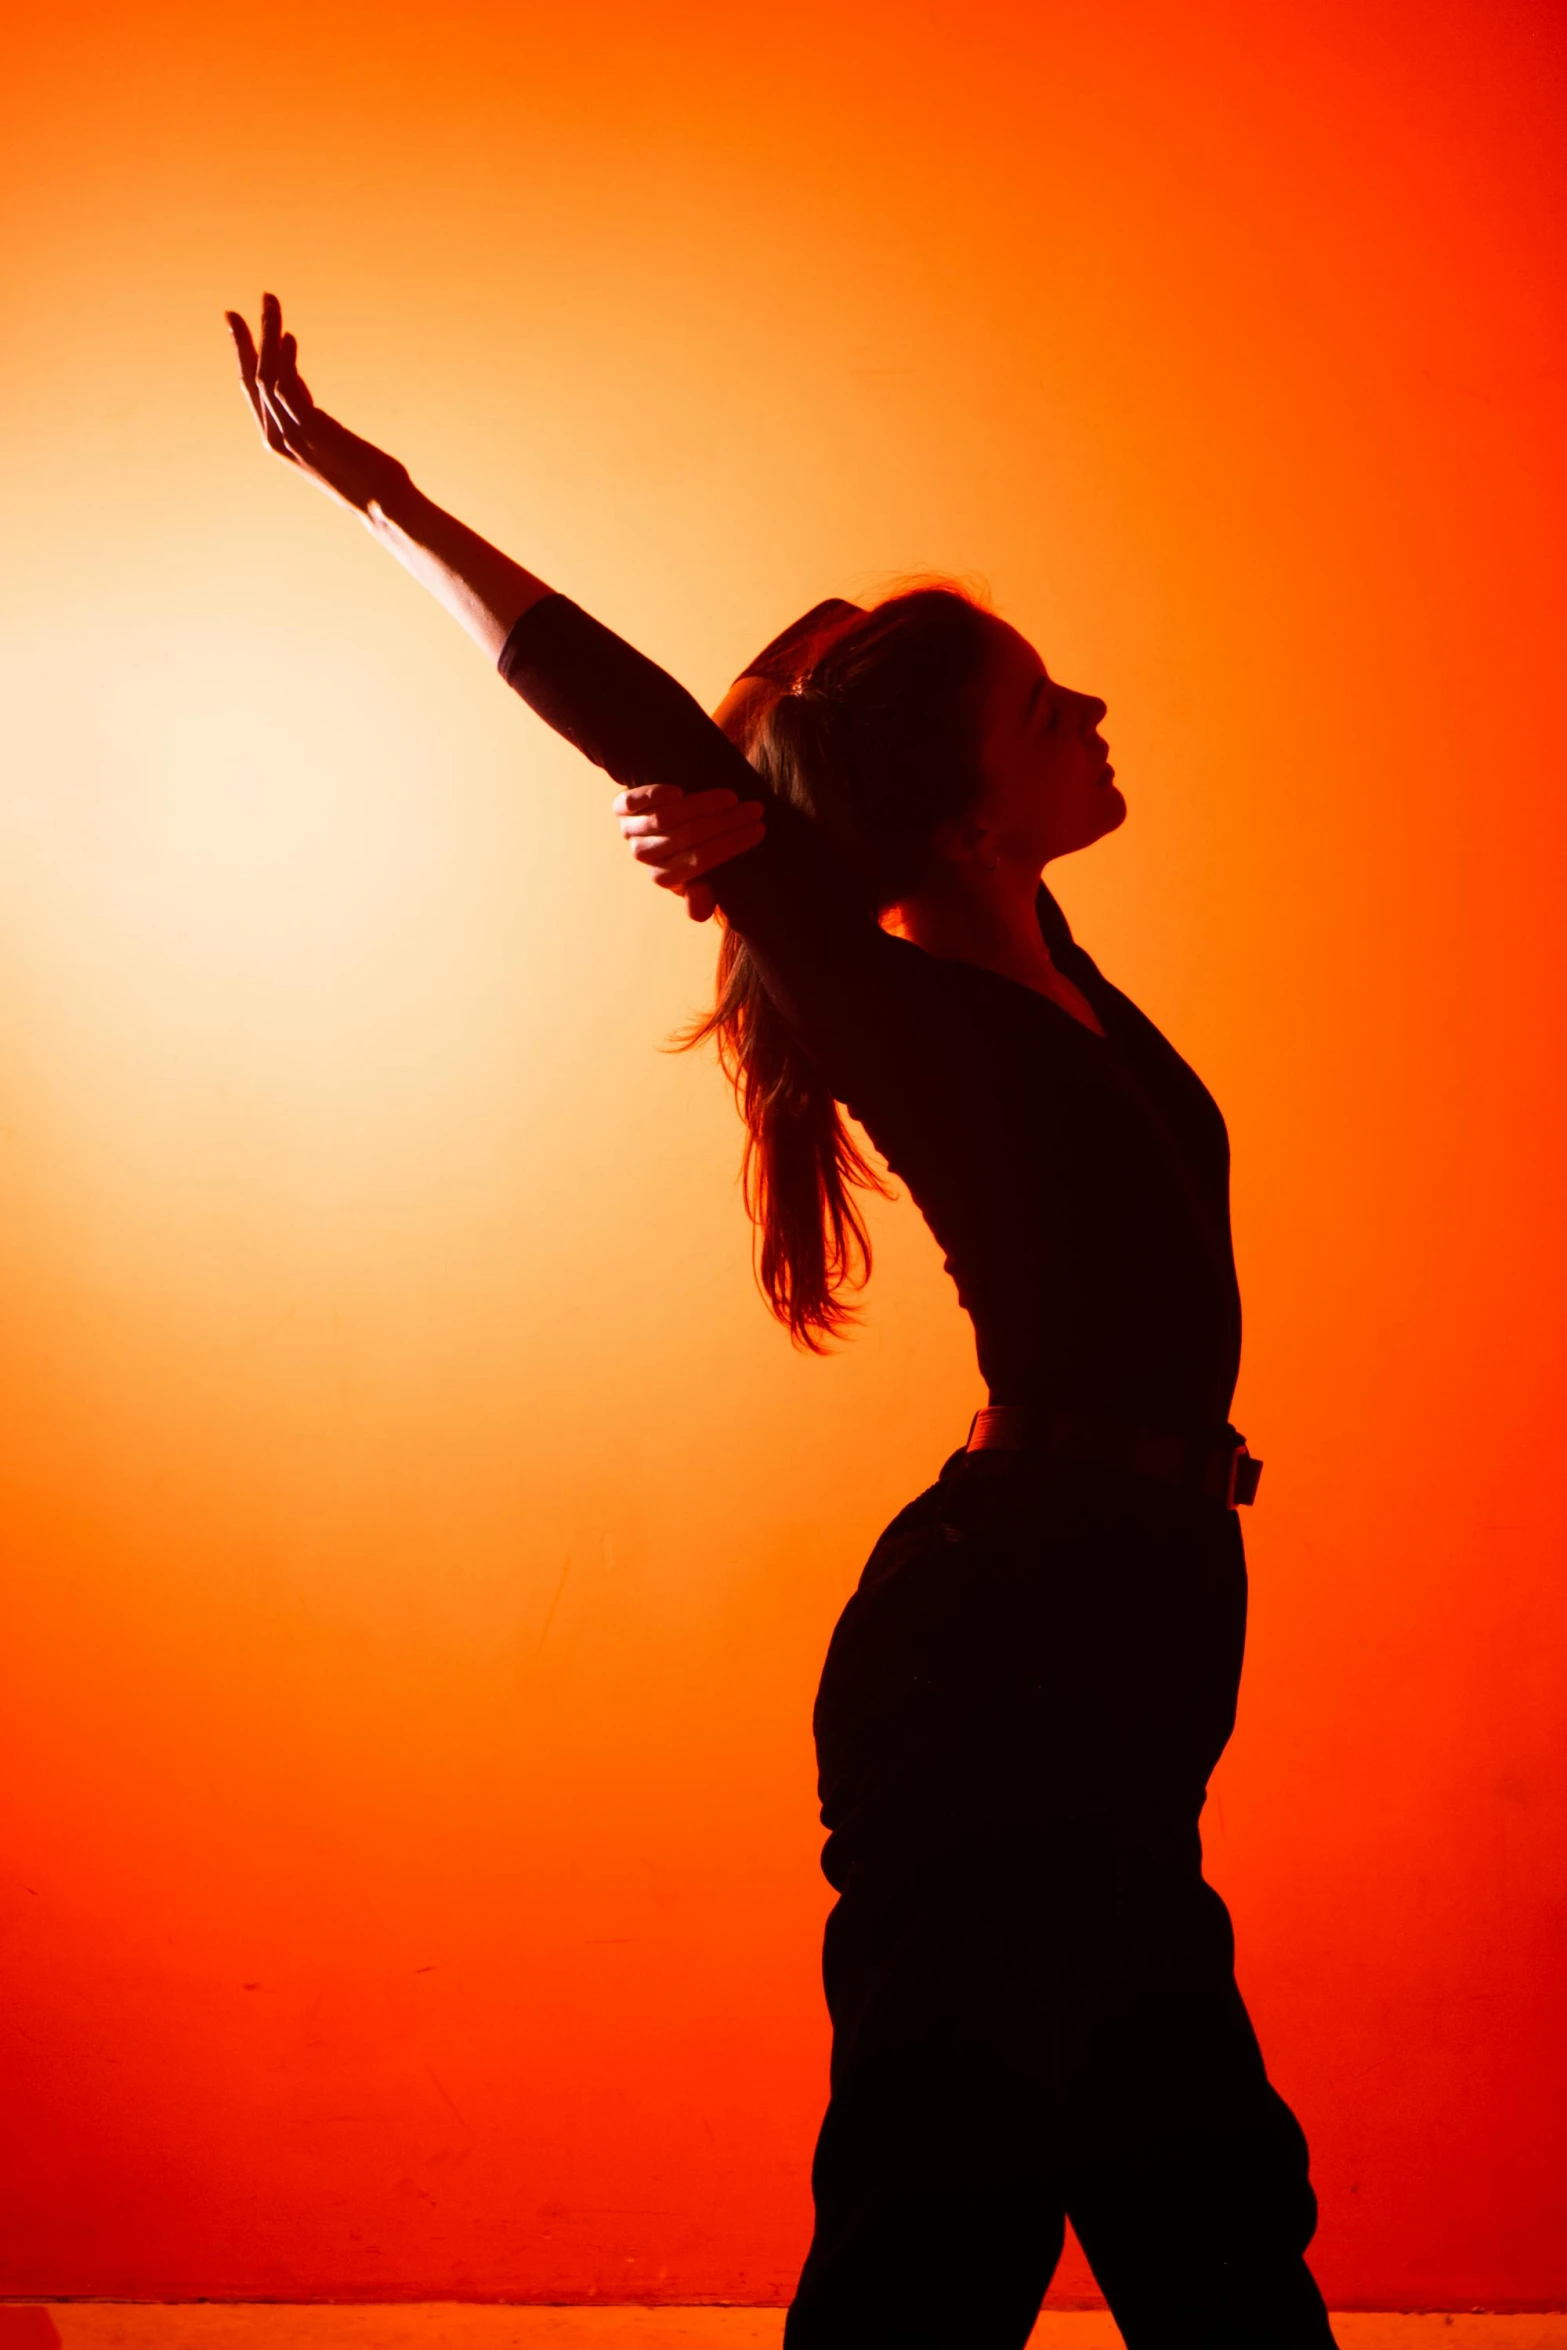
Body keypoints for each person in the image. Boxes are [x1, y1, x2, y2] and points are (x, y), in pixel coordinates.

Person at [226, 294, 1338, 2348]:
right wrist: (379, 494)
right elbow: (641, 714)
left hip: (1133, 1626)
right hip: (1014, 1642)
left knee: (1192, 2170)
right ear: (960, 809)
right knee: (956, 2190)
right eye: (1036, 706)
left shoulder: (1047, 966)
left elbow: (773, 748)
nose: (1088, 705)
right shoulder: (899, 999)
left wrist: (772, 792)